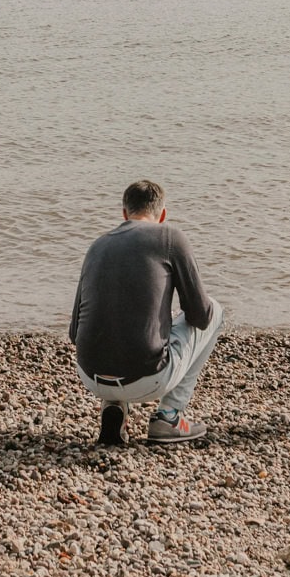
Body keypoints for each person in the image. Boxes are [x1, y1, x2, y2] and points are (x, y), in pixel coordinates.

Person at [70, 180, 222, 446]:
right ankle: (169, 416)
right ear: (162, 215)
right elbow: (201, 316)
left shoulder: (97, 245)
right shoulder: (170, 238)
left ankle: (113, 406)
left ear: (124, 213)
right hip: (147, 379)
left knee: (116, 315)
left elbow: (75, 332)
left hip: (90, 374)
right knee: (215, 310)